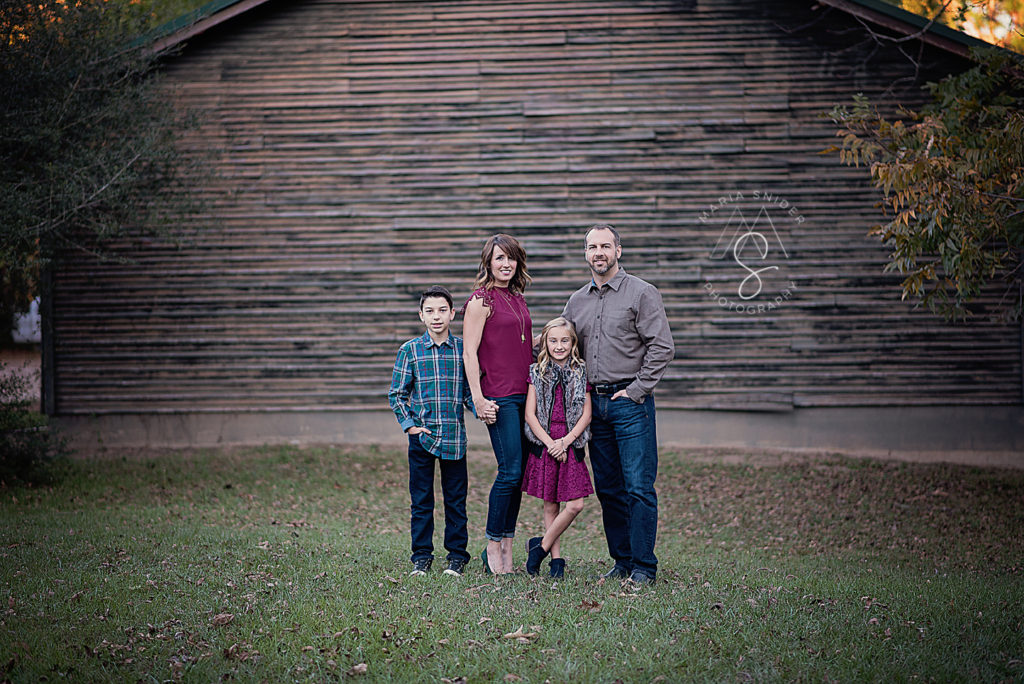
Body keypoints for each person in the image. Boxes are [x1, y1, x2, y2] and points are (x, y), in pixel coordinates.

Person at [562, 224, 674, 585]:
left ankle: (644, 567)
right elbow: (563, 347)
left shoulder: (642, 293)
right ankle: (623, 561)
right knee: (609, 489)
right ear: (585, 254)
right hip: (593, 407)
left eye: (605, 246)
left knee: (638, 486)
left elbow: (662, 347)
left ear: (618, 251)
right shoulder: (576, 301)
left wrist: (638, 389)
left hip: (630, 403)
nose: (599, 252)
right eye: (592, 247)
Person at [388, 285, 474, 577]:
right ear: (421, 315)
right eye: (429, 311)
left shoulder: (464, 349)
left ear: (452, 313)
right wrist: (409, 425)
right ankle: (421, 557)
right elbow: (397, 394)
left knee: (455, 501)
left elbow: (469, 393)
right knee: (422, 501)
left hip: (454, 438)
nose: (436, 317)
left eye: (442, 310)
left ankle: (457, 557)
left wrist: (485, 410)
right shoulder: (410, 350)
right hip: (422, 439)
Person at [462, 234, 533, 575]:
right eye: (499, 258)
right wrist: (477, 398)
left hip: (525, 395)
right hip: (498, 397)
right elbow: (469, 352)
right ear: (488, 262)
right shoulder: (480, 301)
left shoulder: (518, 298)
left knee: (518, 475)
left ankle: (507, 542)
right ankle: (492, 543)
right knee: (510, 471)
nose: (506, 264)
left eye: (511, 258)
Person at [522, 317, 594, 578]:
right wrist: (551, 443)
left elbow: (586, 414)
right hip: (545, 441)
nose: (559, 345)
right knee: (550, 504)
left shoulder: (581, 370)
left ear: (573, 342)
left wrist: (566, 441)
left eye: (565, 340)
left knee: (575, 504)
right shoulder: (536, 371)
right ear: (545, 343)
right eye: (553, 340)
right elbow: (530, 415)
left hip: (570, 441)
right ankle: (557, 561)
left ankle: (539, 548)